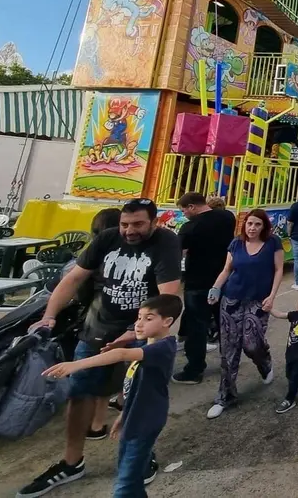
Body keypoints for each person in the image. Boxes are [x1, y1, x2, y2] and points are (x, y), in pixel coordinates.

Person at [20, 199, 181, 497]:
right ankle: (71, 462)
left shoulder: (166, 243)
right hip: (97, 328)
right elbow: (73, 278)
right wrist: (49, 316)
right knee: (79, 393)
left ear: (153, 223)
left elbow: (169, 297)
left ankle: (141, 457)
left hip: (139, 333)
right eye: (125, 224)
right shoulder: (108, 238)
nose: (129, 231)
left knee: (138, 399)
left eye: (138, 224)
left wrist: (134, 331)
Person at [43, 294, 182, 498]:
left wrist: (76, 365)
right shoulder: (147, 347)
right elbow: (138, 390)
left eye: (149, 318)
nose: (139, 324)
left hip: (146, 423)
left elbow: (121, 354)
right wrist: (123, 415)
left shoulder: (162, 348)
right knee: (130, 479)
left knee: (124, 485)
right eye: (139, 317)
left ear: (167, 322)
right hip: (134, 419)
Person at [206, 209, 284, 419]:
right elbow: (227, 270)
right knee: (229, 349)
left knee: (252, 343)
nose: (252, 228)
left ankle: (264, 362)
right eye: (250, 223)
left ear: (264, 226)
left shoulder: (273, 243)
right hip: (232, 298)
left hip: (258, 300)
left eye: (257, 224)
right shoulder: (236, 244)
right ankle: (225, 395)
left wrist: (272, 295)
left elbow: (278, 270)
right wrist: (215, 288)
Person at [173, 192, 236, 385]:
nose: (184, 214)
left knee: (197, 327)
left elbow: (177, 255)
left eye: (184, 210)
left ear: (192, 207)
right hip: (223, 278)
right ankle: (231, 361)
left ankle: (194, 370)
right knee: (225, 322)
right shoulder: (227, 217)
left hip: (197, 282)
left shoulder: (190, 227)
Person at [80, 207, 122, 439]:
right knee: (113, 370)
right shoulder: (128, 253)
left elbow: (80, 289)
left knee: (93, 369)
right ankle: (99, 421)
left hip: (96, 319)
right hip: (121, 322)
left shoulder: (95, 252)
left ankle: (93, 424)